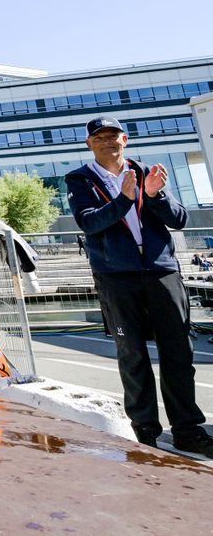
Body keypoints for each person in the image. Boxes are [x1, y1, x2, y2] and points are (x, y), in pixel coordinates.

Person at [65, 117, 213, 454]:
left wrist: (154, 195)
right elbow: (89, 223)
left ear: (125, 140)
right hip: (116, 277)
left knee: (178, 352)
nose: (107, 142)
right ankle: (144, 430)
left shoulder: (147, 172)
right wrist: (125, 199)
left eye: (113, 136)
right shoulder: (79, 178)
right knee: (132, 353)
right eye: (99, 137)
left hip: (162, 272)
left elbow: (179, 219)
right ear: (90, 143)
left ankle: (188, 430)